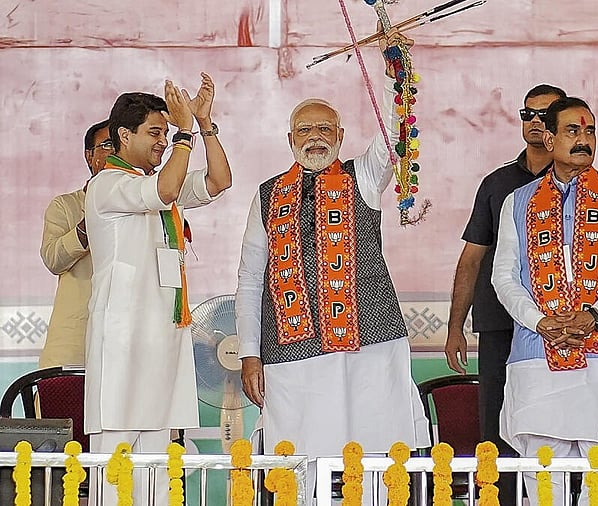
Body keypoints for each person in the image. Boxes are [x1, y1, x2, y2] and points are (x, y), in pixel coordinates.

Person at [235, 29, 429, 503]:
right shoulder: (267, 194)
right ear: (290, 139)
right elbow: (250, 279)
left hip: (370, 346)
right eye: (305, 130)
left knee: (376, 456)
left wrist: (393, 74)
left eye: (325, 129)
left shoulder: (364, 176)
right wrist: (249, 353)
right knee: (300, 460)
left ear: (340, 137)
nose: (315, 137)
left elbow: (392, 138)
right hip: (291, 352)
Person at [492, 97, 598, 505]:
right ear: (548, 138)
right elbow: (503, 276)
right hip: (537, 352)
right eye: (572, 131)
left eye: (590, 131)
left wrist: (595, 315)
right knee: (544, 471)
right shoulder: (519, 201)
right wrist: (538, 321)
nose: (584, 140)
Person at [84, 73, 232, 505]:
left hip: (162, 338)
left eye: (166, 134)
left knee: (157, 463)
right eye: (155, 133)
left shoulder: (158, 181)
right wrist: (185, 134)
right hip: (123, 340)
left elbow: (219, 181)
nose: (163, 142)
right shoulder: (108, 184)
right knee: (116, 462)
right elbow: (166, 189)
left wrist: (203, 125)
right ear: (123, 135)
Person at [443, 83, 565, 503]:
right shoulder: (498, 184)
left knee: (555, 425)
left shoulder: (582, 183)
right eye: (528, 114)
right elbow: (472, 259)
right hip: (501, 326)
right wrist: (455, 327)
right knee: (496, 429)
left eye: (546, 115)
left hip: (562, 328)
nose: (535, 122)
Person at [39, 120, 112, 368]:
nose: (115, 153)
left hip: (127, 342)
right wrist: (95, 212)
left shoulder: (143, 207)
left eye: (121, 145)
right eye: (108, 145)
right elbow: (53, 259)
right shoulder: (65, 206)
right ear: (89, 156)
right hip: (75, 343)